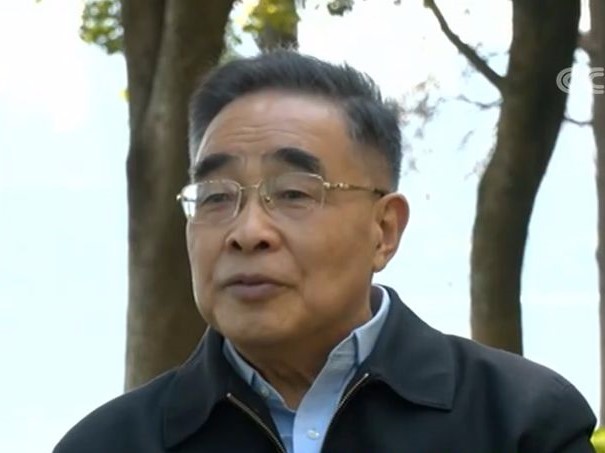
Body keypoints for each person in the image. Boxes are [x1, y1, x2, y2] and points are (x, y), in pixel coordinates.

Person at [54, 50, 596, 453]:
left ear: (384, 230)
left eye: (293, 193)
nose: (248, 232)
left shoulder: (520, 422)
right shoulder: (109, 443)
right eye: (216, 197)